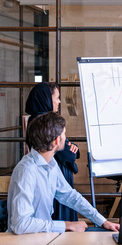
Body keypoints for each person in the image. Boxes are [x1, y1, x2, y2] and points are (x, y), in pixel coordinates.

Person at [8, 112, 119, 235]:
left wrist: (103, 221)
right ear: (57, 140)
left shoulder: (51, 163)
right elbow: (21, 224)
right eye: (64, 134)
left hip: (43, 238)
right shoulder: (27, 170)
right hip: (26, 244)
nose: (66, 138)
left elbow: (70, 196)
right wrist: (67, 225)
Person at [25, 82, 80, 222]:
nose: (59, 101)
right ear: (46, 99)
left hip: (56, 172)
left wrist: (72, 147)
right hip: (53, 174)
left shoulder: (38, 119)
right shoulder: (42, 123)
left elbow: (68, 149)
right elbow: (67, 154)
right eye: (57, 97)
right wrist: (70, 150)